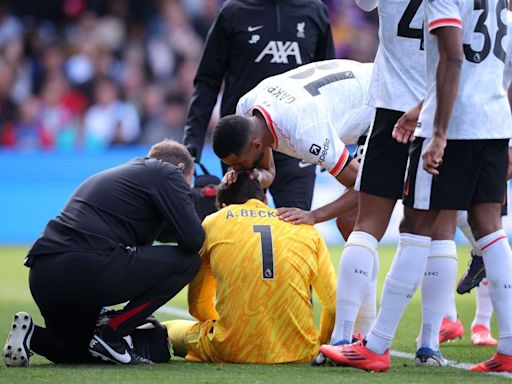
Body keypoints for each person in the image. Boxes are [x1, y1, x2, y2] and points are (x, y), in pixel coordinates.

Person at [321, 0, 512, 373]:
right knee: (486, 231)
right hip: (493, 120)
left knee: (405, 226)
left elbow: (452, 58)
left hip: (441, 116)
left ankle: (367, 344)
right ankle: (485, 347)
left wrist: (436, 129)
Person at [312, 0, 457, 367]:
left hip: (391, 106)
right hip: (443, 110)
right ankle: (429, 344)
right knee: (438, 229)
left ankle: (343, 336)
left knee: (368, 225)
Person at [3, 139, 204, 367]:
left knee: (75, 350)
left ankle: (30, 335)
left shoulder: (127, 176)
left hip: (44, 274)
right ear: (180, 169)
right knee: (188, 262)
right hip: (87, 267)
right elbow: (193, 239)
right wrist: (204, 201)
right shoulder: (167, 172)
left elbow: (169, 231)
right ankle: (113, 332)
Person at [163, 172, 337, 363]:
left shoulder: (214, 222)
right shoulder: (304, 226)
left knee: (168, 329)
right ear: (264, 199)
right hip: (301, 352)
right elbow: (333, 305)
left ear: (223, 207)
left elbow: (198, 304)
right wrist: (321, 344)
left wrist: (228, 328)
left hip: (230, 350)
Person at [183, 0, 335, 212]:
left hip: (298, 141)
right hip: (243, 143)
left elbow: (328, 81)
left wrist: (332, 141)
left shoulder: (314, 10)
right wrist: (193, 142)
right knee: (242, 228)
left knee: (296, 228)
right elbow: (208, 80)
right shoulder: (233, 11)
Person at [212, 59, 375, 229]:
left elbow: (364, 185)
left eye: (238, 164)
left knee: (349, 219)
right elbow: (268, 172)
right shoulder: (246, 108)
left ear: (257, 145)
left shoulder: (305, 134)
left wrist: (313, 216)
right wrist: (256, 176)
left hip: (380, 100)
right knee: (349, 220)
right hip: (354, 87)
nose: (236, 169)